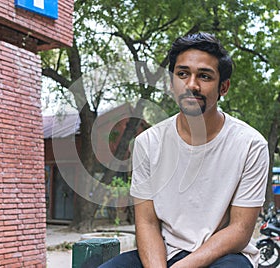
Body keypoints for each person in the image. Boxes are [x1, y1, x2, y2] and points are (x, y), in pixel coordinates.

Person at [99, 32, 269, 268]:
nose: (191, 85)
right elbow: (147, 223)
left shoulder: (251, 144)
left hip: (224, 255)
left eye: (205, 76)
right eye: (182, 74)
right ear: (172, 83)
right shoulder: (148, 142)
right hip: (163, 251)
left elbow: (240, 230)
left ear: (224, 87)